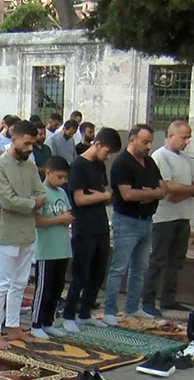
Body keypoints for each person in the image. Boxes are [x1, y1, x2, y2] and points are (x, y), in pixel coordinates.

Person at [0, 120, 44, 350]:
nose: (30, 148)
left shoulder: (30, 166)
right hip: (7, 232)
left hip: (26, 231)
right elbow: (6, 200)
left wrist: (26, 204)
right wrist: (31, 203)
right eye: (27, 143)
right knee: (2, 283)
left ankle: (13, 326)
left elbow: (42, 194)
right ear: (14, 139)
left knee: (20, 283)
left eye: (33, 144)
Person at [103, 124, 166, 325]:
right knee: (119, 267)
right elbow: (127, 194)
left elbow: (163, 187)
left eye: (150, 142)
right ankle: (110, 310)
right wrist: (152, 193)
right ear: (132, 140)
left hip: (147, 221)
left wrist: (148, 194)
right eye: (145, 141)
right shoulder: (122, 163)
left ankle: (132, 308)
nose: (148, 146)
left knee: (139, 268)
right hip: (127, 221)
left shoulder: (149, 162)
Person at [62, 128, 120, 332]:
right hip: (84, 227)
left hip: (101, 225)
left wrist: (100, 195)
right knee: (80, 273)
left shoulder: (100, 165)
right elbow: (80, 198)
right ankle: (69, 314)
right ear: (97, 144)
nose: (109, 156)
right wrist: (102, 196)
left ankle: (85, 312)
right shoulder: (78, 165)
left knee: (97, 273)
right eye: (107, 151)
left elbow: (107, 192)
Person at [143, 120, 194, 316]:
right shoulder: (160, 156)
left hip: (183, 216)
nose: (187, 141)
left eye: (188, 137)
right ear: (171, 136)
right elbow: (168, 187)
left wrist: (187, 191)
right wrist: (189, 190)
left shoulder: (187, 160)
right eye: (184, 137)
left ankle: (169, 298)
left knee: (176, 260)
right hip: (163, 218)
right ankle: (148, 300)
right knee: (157, 259)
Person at [31, 156, 73, 340]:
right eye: (60, 176)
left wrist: (67, 219)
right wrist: (60, 220)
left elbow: (67, 213)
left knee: (57, 287)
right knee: (44, 288)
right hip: (46, 249)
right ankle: (36, 323)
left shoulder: (62, 193)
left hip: (62, 248)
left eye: (65, 177)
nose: (63, 181)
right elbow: (37, 221)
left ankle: (49, 321)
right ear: (48, 173)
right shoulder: (41, 192)